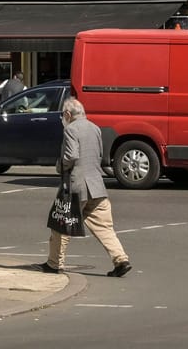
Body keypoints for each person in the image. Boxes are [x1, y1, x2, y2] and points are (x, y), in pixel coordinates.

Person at [38, 97, 129, 277]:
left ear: (67, 114)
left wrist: (60, 165)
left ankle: (54, 263)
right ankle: (121, 259)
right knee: (104, 227)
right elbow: (101, 155)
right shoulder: (95, 128)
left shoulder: (70, 129)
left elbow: (71, 155)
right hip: (97, 186)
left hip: (76, 186)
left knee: (61, 225)